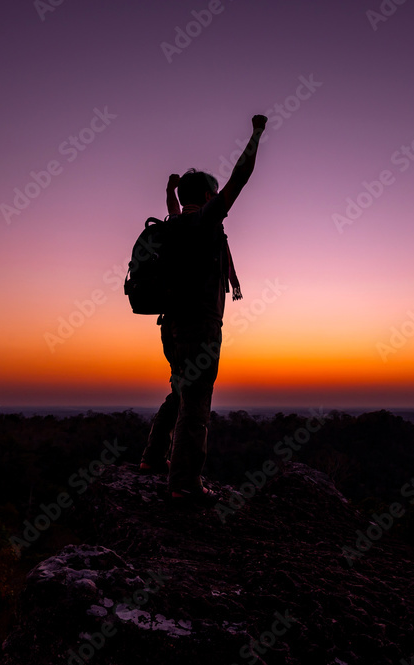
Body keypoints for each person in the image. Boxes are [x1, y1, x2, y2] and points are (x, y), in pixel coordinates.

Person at [139, 114, 267, 508]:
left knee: (180, 391)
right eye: (215, 195)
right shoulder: (203, 222)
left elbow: (173, 207)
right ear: (210, 197)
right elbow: (240, 177)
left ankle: (152, 458)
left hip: (172, 326)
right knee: (196, 403)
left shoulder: (175, 224)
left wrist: (170, 192)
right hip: (200, 328)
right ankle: (184, 484)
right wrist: (256, 134)